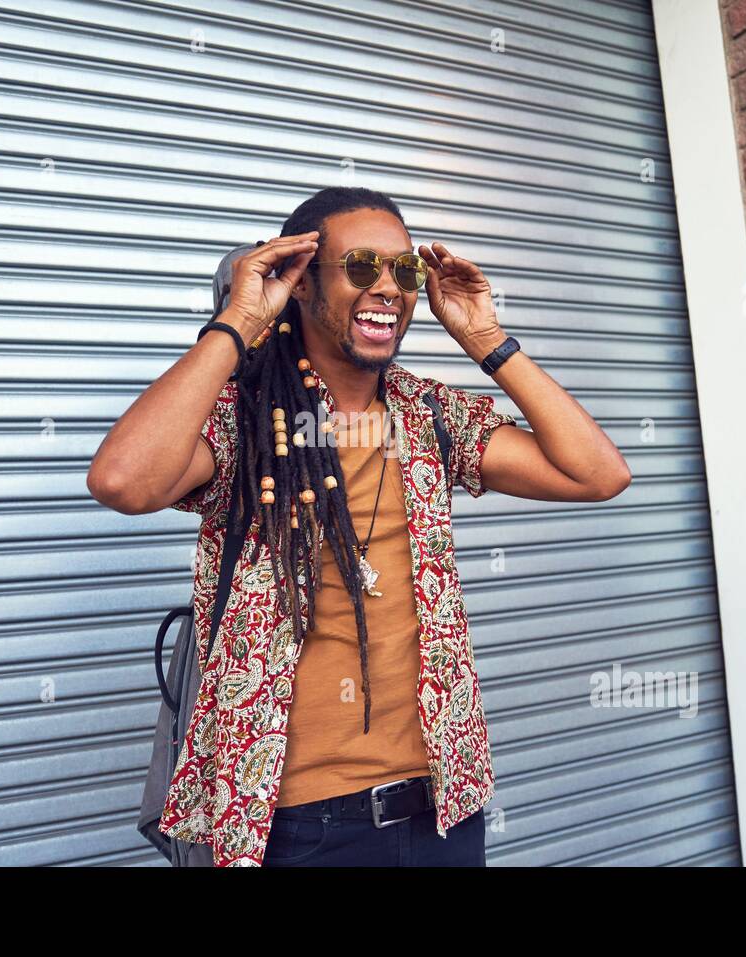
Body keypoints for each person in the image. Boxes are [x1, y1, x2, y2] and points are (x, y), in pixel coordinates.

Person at [87, 186, 631, 866]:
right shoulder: (249, 418)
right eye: (361, 266)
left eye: (403, 272)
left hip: (441, 814)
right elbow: (121, 479)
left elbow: (598, 474)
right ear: (303, 282)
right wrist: (239, 321)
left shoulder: (428, 415)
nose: (388, 288)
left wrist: (487, 340)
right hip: (287, 827)